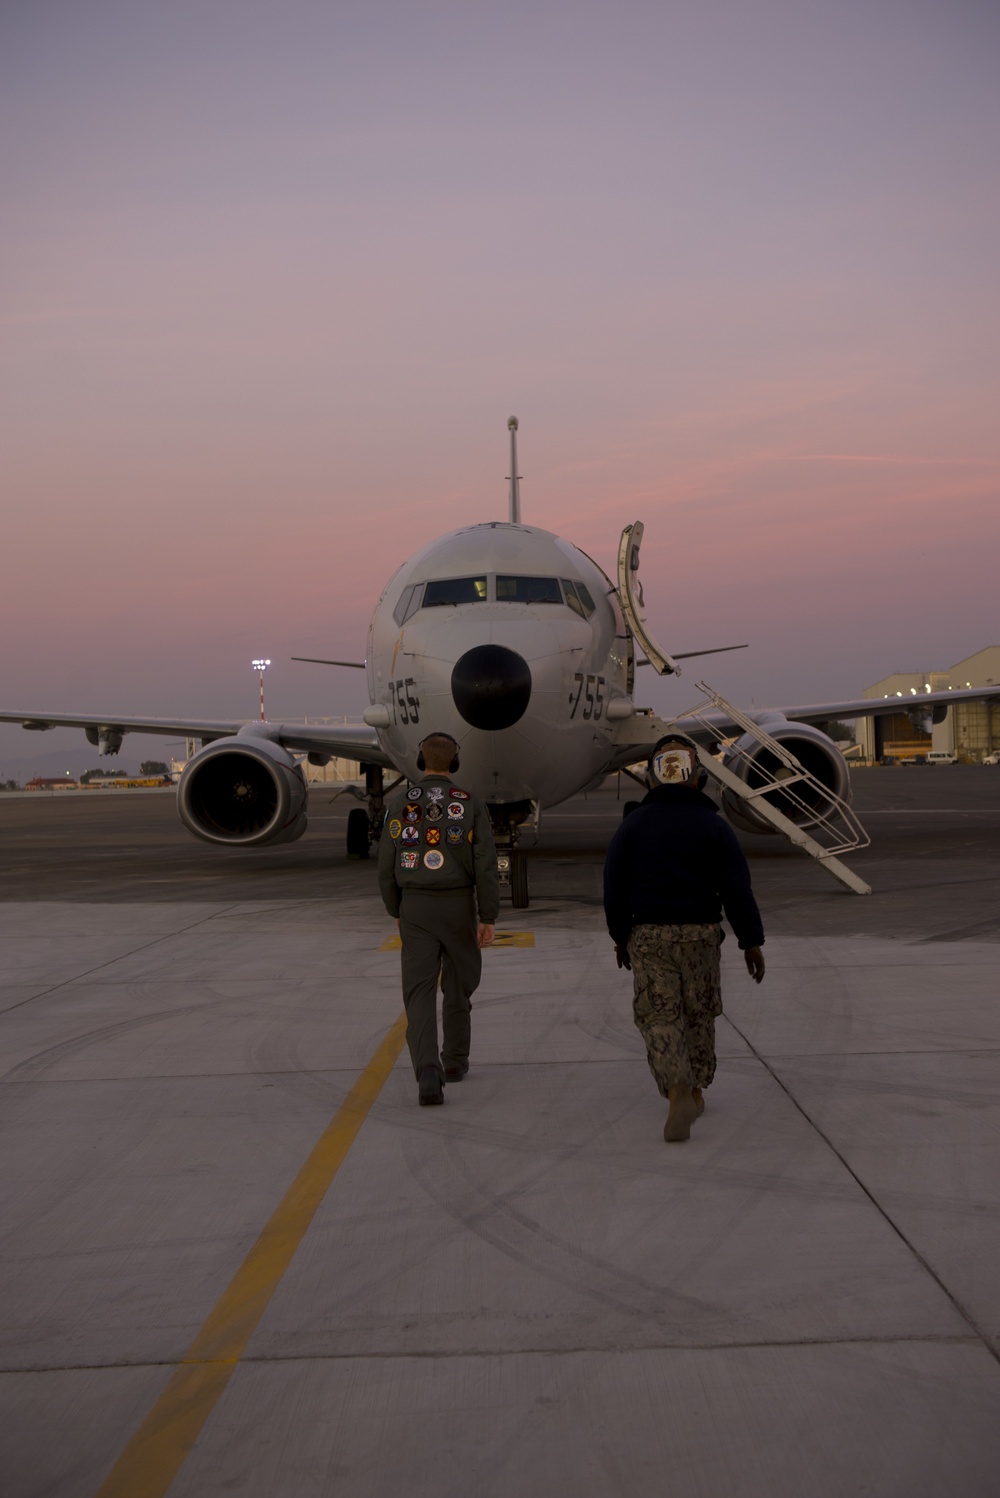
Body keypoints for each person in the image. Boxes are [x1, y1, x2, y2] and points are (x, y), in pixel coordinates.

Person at [603, 736, 765, 1142]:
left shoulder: (633, 826)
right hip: (701, 936)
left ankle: (676, 1089)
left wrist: (620, 937)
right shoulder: (714, 826)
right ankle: (695, 1088)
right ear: (698, 779)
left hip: (650, 935)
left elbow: (614, 887)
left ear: (652, 780)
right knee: (699, 1013)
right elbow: (737, 889)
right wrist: (751, 941)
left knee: (659, 1017)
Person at [378, 731, 499, 1105]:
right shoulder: (470, 803)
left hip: (415, 905)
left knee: (419, 990)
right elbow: (486, 865)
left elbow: (385, 864)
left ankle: (427, 1069)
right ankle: (455, 1061)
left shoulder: (400, 803)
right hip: (458, 905)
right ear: (455, 762)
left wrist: (395, 909)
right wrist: (488, 915)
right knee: (458, 985)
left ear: (420, 760)